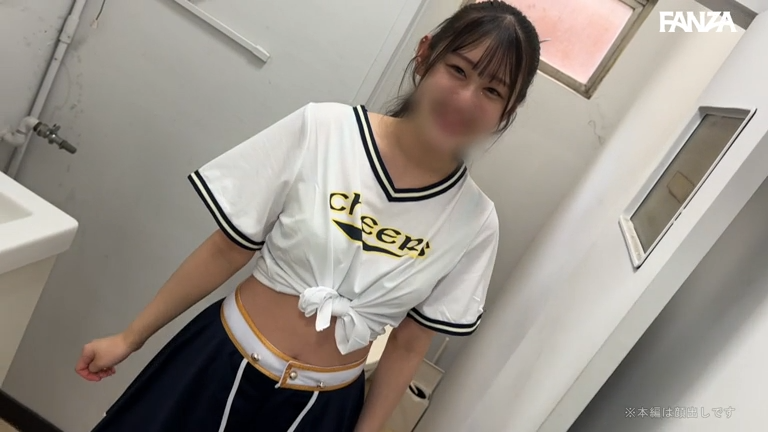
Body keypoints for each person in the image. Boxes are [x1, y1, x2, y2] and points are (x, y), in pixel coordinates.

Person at [75, 1, 540, 431]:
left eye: (492, 90)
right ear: (425, 55)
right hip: (217, 365)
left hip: (322, 412)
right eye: (458, 70)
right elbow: (226, 249)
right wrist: (130, 337)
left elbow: (409, 345)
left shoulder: (475, 222)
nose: (465, 99)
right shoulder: (322, 129)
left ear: (509, 110)